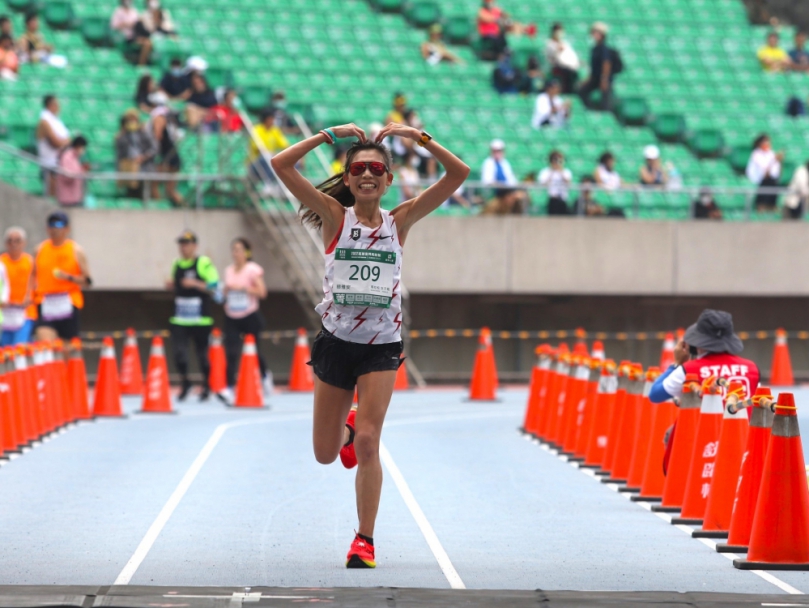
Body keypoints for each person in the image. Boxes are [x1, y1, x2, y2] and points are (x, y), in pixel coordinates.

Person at [270, 120, 469, 569]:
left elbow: (458, 175)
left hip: (381, 345)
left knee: (368, 444)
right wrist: (327, 135)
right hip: (337, 343)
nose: (367, 174)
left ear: (388, 179)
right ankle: (347, 426)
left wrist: (418, 138)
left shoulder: (402, 220)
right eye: (358, 167)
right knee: (325, 454)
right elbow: (280, 164)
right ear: (347, 177)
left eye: (376, 169)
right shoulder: (333, 215)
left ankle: (365, 541)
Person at [649, 309, 760, 405]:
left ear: (696, 341)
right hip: (742, 429)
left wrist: (677, 363)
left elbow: (654, 395)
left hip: (702, 429)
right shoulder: (752, 368)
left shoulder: (689, 370)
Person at [166, 231, 219, 402]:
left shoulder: (203, 262)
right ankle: (185, 382)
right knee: (179, 353)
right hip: (180, 317)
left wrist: (195, 283)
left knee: (202, 354)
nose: (183, 247)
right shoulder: (176, 263)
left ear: (195, 246)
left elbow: (214, 285)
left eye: (187, 244)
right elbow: (177, 284)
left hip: (200, 318)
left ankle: (206, 385)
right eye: (181, 244)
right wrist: (172, 285)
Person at [219, 237, 270, 404]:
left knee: (254, 350)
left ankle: (264, 375)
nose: (236, 253)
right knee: (231, 352)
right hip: (232, 315)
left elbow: (262, 292)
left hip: (250, 315)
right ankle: (228, 388)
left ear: (246, 252)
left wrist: (243, 289)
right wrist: (225, 291)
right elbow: (224, 294)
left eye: (239, 250)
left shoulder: (252, 269)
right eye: (234, 250)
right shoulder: (228, 271)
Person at [32, 212, 91, 342]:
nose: (54, 229)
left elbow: (88, 281)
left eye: (59, 225)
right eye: (51, 225)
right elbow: (32, 276)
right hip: (46, 302)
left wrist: (69, 277)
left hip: (68, 303)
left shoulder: (76, 250)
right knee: (45, 342)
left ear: (67, 229)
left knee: (67, 348)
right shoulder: (40, 249)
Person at [0, 227, 36, 346]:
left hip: (25, 312)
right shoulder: (1, 262)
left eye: (17, 240)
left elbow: (36, 285)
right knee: (5, 348)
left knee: (19, 346)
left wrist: (29, 298)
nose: (13, 244)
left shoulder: (30, 262)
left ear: (24, 243)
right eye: (10, 241)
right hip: (5, 313)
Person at [148, 95, 184, 206]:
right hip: (173, 156)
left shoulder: (159, 118)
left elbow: (157, 136)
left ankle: (160, 208)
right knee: (170, 190)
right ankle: (185, 207)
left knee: (153, 184)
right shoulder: (167, 122)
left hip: (168, 157)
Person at [36, 95, 71, 197]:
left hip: (58, 162)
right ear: (50, 105)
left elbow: (67, 140)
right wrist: (64, 143)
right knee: (51, 195)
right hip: (50, 163)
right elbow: (55, 142)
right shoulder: (44, 121)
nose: (59, 107)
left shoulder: (56, 121)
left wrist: (64, 142)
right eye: (57, 104)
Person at [481, 139, 527, 214]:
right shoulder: (488, 163)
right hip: (494, 194)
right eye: (495, 151)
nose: (497, 153)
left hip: (506, 192)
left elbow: (511, 181)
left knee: (521, 196)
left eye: (499, 151)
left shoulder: (505, 163)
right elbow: (488, 181)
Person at [248, 110, 290, 190]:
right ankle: (267, 184)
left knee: (290, 160)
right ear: (265, 119)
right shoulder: (257, 129)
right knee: (267, 157)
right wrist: (273, 154)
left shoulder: (275, 130)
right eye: (271, 119)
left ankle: (281, 186)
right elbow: (259, 149)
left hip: (270, 158)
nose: (273, 121)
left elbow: (285, 145)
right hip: (256, 163)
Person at [579, 22, 615, 110]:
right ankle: (591, 110)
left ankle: (604, 116)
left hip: (603, 79)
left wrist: (604, 79)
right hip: (595, 78)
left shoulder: (603, 48)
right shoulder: (595, 49)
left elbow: (606, 63)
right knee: (582, 91)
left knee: (605, 101)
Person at [746, 133, 782, 212]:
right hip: (759, 179)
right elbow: (765, 171)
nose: (767, 143)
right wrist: (774, 161)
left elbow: (775, 172)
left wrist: (779, 161)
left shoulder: (770, 153)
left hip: (771, 180)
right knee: (767, 183)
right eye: (765, 141)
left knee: (774, 183)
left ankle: (772, 206)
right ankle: (761, 206)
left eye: (768, 141)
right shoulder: (756, 154)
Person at [545, 22, 580, 94]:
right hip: (556, 67)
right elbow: (552, 56)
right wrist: (557, 50)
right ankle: (565, 92)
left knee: (573, 74)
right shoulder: (550, 43)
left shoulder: (564, 43)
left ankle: (571, 92)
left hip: (568, 67)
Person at [54, 135, 88, 207]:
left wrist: (82, 170)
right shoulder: (67, 157)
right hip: (66, 199)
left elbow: (74, 171)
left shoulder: (75, 158)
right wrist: (80, 172)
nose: (83, 150)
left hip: (74, 198)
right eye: (83, 147)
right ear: (78, 146)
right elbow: (67, 176)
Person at [538, 150, 572, 216]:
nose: (557, 162)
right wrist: (552, 171)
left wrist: (560, 171)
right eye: (555, 159)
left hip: (563, 199)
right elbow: (542, 184)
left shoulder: (566, 171)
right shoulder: (546, 171)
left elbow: (568, 183)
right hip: (552, 200)